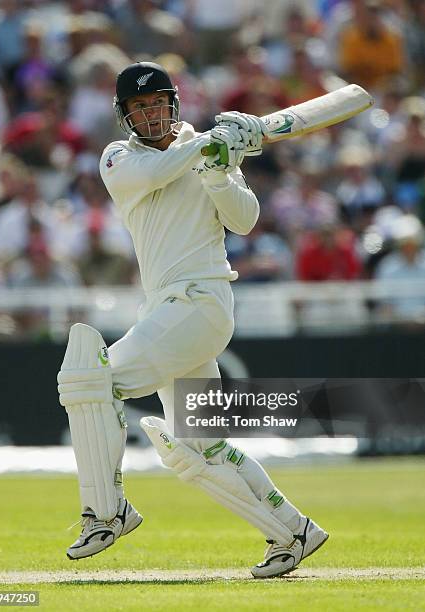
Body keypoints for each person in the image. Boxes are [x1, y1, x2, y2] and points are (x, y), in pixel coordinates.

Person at [57, 61, 328, 578]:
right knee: (202, 447)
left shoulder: (209, 149)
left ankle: (106, 513)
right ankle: (293, 531)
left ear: (173, 103)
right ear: (124, 115)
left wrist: (221, 170)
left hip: (202, 302)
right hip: (165, 307)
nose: (151, 114)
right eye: (139, 107)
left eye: (158, 102)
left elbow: (244, 220)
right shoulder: (118, 159)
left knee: (91, 382)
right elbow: (160, 172)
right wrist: (209, 148)